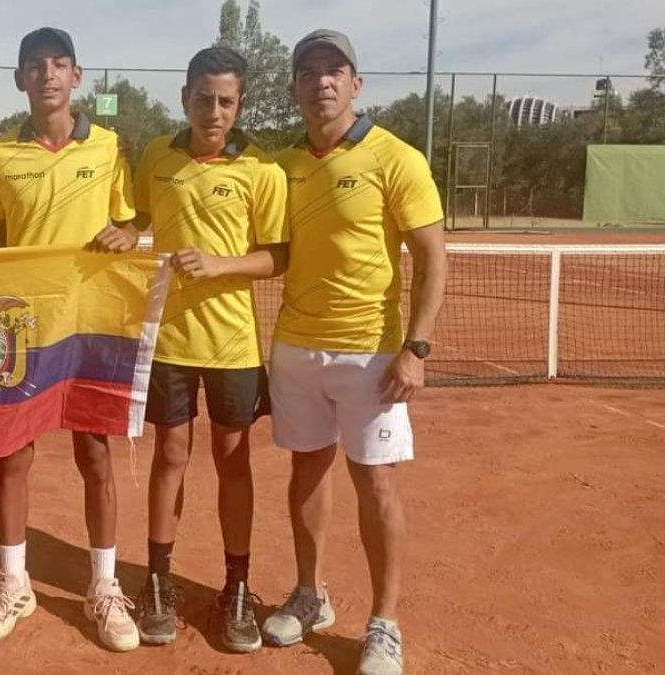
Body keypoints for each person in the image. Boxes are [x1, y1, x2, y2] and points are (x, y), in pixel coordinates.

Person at [0, 26, 141, 651]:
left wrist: (129, 236)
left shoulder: (110, 149)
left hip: (91, 323)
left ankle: (104, 586)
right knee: (14, 453)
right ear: (20, 79)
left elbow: (128, 224)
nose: (48, 75)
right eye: (35, 66)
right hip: (24, 324)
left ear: (77, 77)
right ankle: (15, 582)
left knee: (96, 455)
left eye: (59, 65)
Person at [260, 30, 447, 675]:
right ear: (294, 88)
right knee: (305, 472)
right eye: (308, 72)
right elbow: (275, 251)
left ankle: (384, 623)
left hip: (372, 354)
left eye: (334, 71)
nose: (322, 82)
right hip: (294, 348)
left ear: (356, 84)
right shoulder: (282, 164)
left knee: (375, 482)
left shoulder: (397, 158)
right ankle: (311, 595)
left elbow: (431, 256)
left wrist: (416, 348)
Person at [131, 46, 288, 653]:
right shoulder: (156, 156)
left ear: (240, 102)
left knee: (232, 462)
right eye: (203, 98)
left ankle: (237, 587)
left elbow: (278, 255)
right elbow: (139, 215)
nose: (213, 111)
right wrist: (128, 228)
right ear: (184, 98)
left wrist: (221, 263)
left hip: (233, 345)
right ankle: (158, 581)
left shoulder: (263, 171)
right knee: (170, 455)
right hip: (167, 339)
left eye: (225, 100)